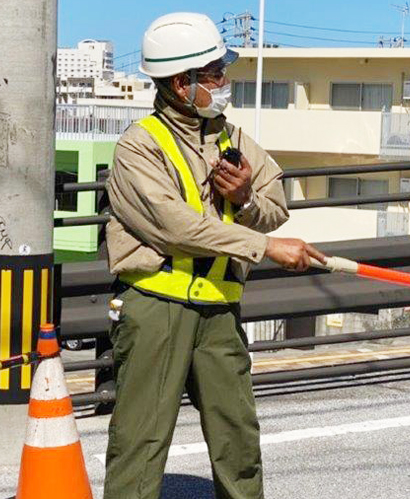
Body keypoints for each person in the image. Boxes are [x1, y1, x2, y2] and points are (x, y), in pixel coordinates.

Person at [103, 12, 326, 499]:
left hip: (220, 306)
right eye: (215, 74)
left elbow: (276, 206)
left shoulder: (235, 139)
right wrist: (264, 247)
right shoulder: (139, 148)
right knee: (141, 440)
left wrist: (245, 199)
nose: (225, 83)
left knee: (238, 437)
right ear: (181, 83)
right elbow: (175, 227)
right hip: (156, 306)